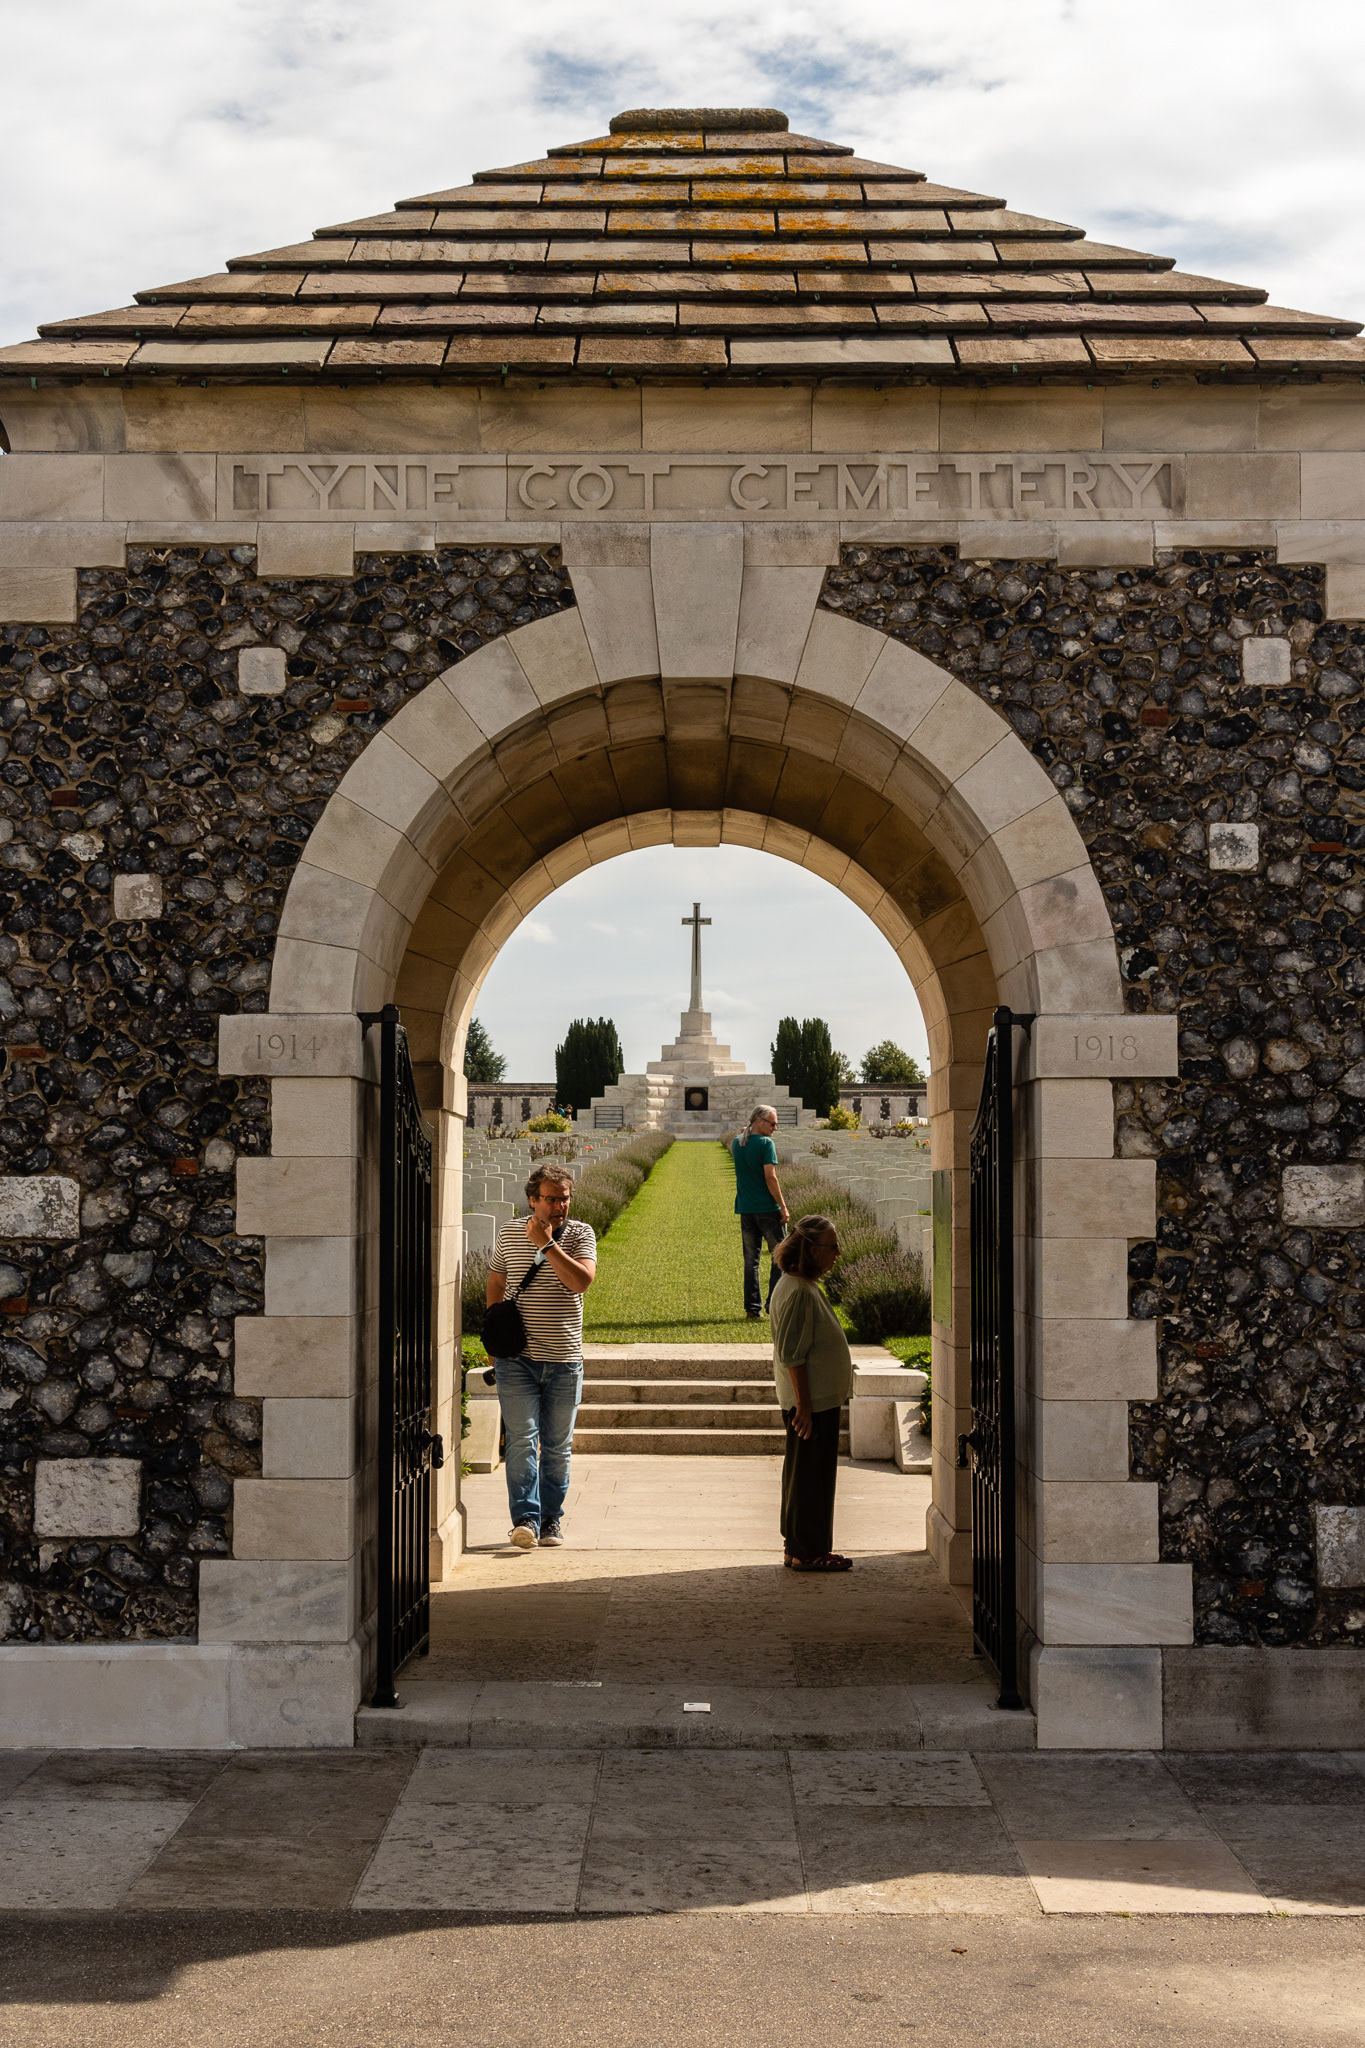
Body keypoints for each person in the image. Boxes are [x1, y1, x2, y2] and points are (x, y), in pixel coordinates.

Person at [486, 1160, 597, 1549]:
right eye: (550, 1199)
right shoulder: (509, 1232)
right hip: (516, 1359)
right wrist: (493, 1335)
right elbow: (497, 1279)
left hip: (564, 1358)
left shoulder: (581, 1234)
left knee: (556, 1446)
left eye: (564, 1199)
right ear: (532, 1200)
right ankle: (526, 1520)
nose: (558, 1207)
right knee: (521, 1439)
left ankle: (551, 1518)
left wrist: (547, 1245)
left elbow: (580, 1282)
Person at [769, 1213, 854, 1572]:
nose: (837, 1253)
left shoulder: (799, 1285)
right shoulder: (800, 1291)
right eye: (831, 1247)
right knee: (812, 1479)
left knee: (805, 1474)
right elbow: (792, 1353)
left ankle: (798, 1546)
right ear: (811, 1250)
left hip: (815, 1402)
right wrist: (804, 1406)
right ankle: (810, 1550)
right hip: (812, 1405)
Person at [731, 1104, 789, 1319]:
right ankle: (773, 1304)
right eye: (772, 1123)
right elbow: (770, 1177)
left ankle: (751, 1308)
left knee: (751, 1261)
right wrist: (783, 1206)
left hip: (746, 1208)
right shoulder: (766, 1144)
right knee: (780, 1258)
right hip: (767, 1208)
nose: (775, 1127)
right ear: (759, 1122)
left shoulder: (738, 1142)